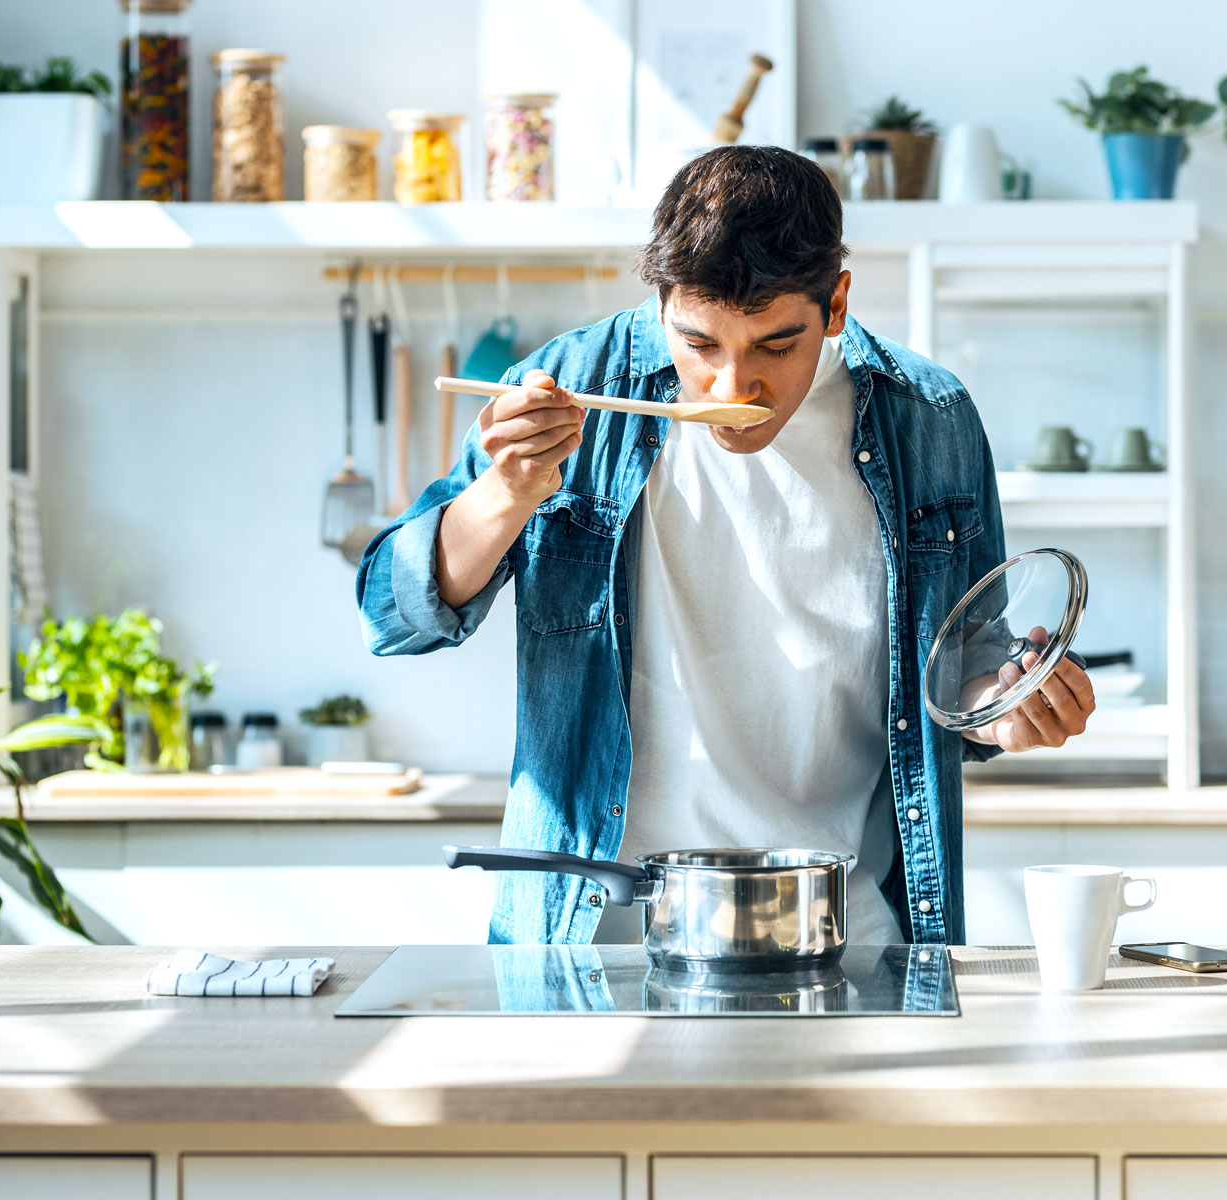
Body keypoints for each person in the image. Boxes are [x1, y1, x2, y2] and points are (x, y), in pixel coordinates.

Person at [357, 146, 1094, 947]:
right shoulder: (570, 383)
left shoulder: (928, 417)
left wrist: (1006, 709)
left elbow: (963, 671)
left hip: (842, 929)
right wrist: (504, 493)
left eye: (775, 346)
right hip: (597, 937)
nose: (733, 387)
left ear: (836, 304)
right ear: (662, 304)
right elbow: (390, 614)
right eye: (700, 343)